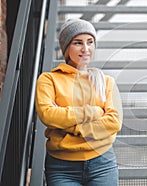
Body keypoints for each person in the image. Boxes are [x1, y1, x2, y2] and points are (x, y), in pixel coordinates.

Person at [35, 18, 123, 186]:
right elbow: (48, 115)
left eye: (90, 42)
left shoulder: (106, 81)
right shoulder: (49, 79)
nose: (86, 49)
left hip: (102, 163)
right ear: (66, 47)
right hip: (61, 167)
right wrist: (95, 112)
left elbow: (113, 122)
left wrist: (67, 124)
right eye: (78, 42)